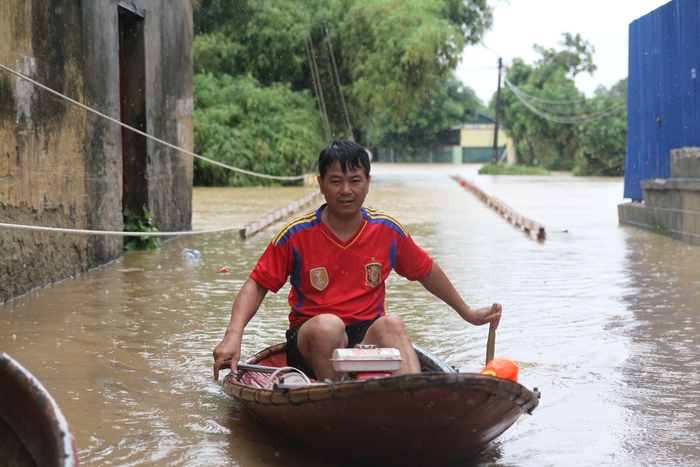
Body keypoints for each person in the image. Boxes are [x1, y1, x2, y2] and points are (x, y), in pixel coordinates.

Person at [212, 140, 501, 381]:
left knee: (393, 324)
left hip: (367, 336)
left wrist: (467, 312)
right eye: (336, 181)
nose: (346, 190)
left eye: (354, 181)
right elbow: (257, 284)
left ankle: (411, 399)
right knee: (329, 326)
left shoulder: (387, 231)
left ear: (367, 184)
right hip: (312, 338)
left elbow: (426, 271)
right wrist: (233, 336)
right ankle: (335, 401)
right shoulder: (295, 235)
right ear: (321, 185)